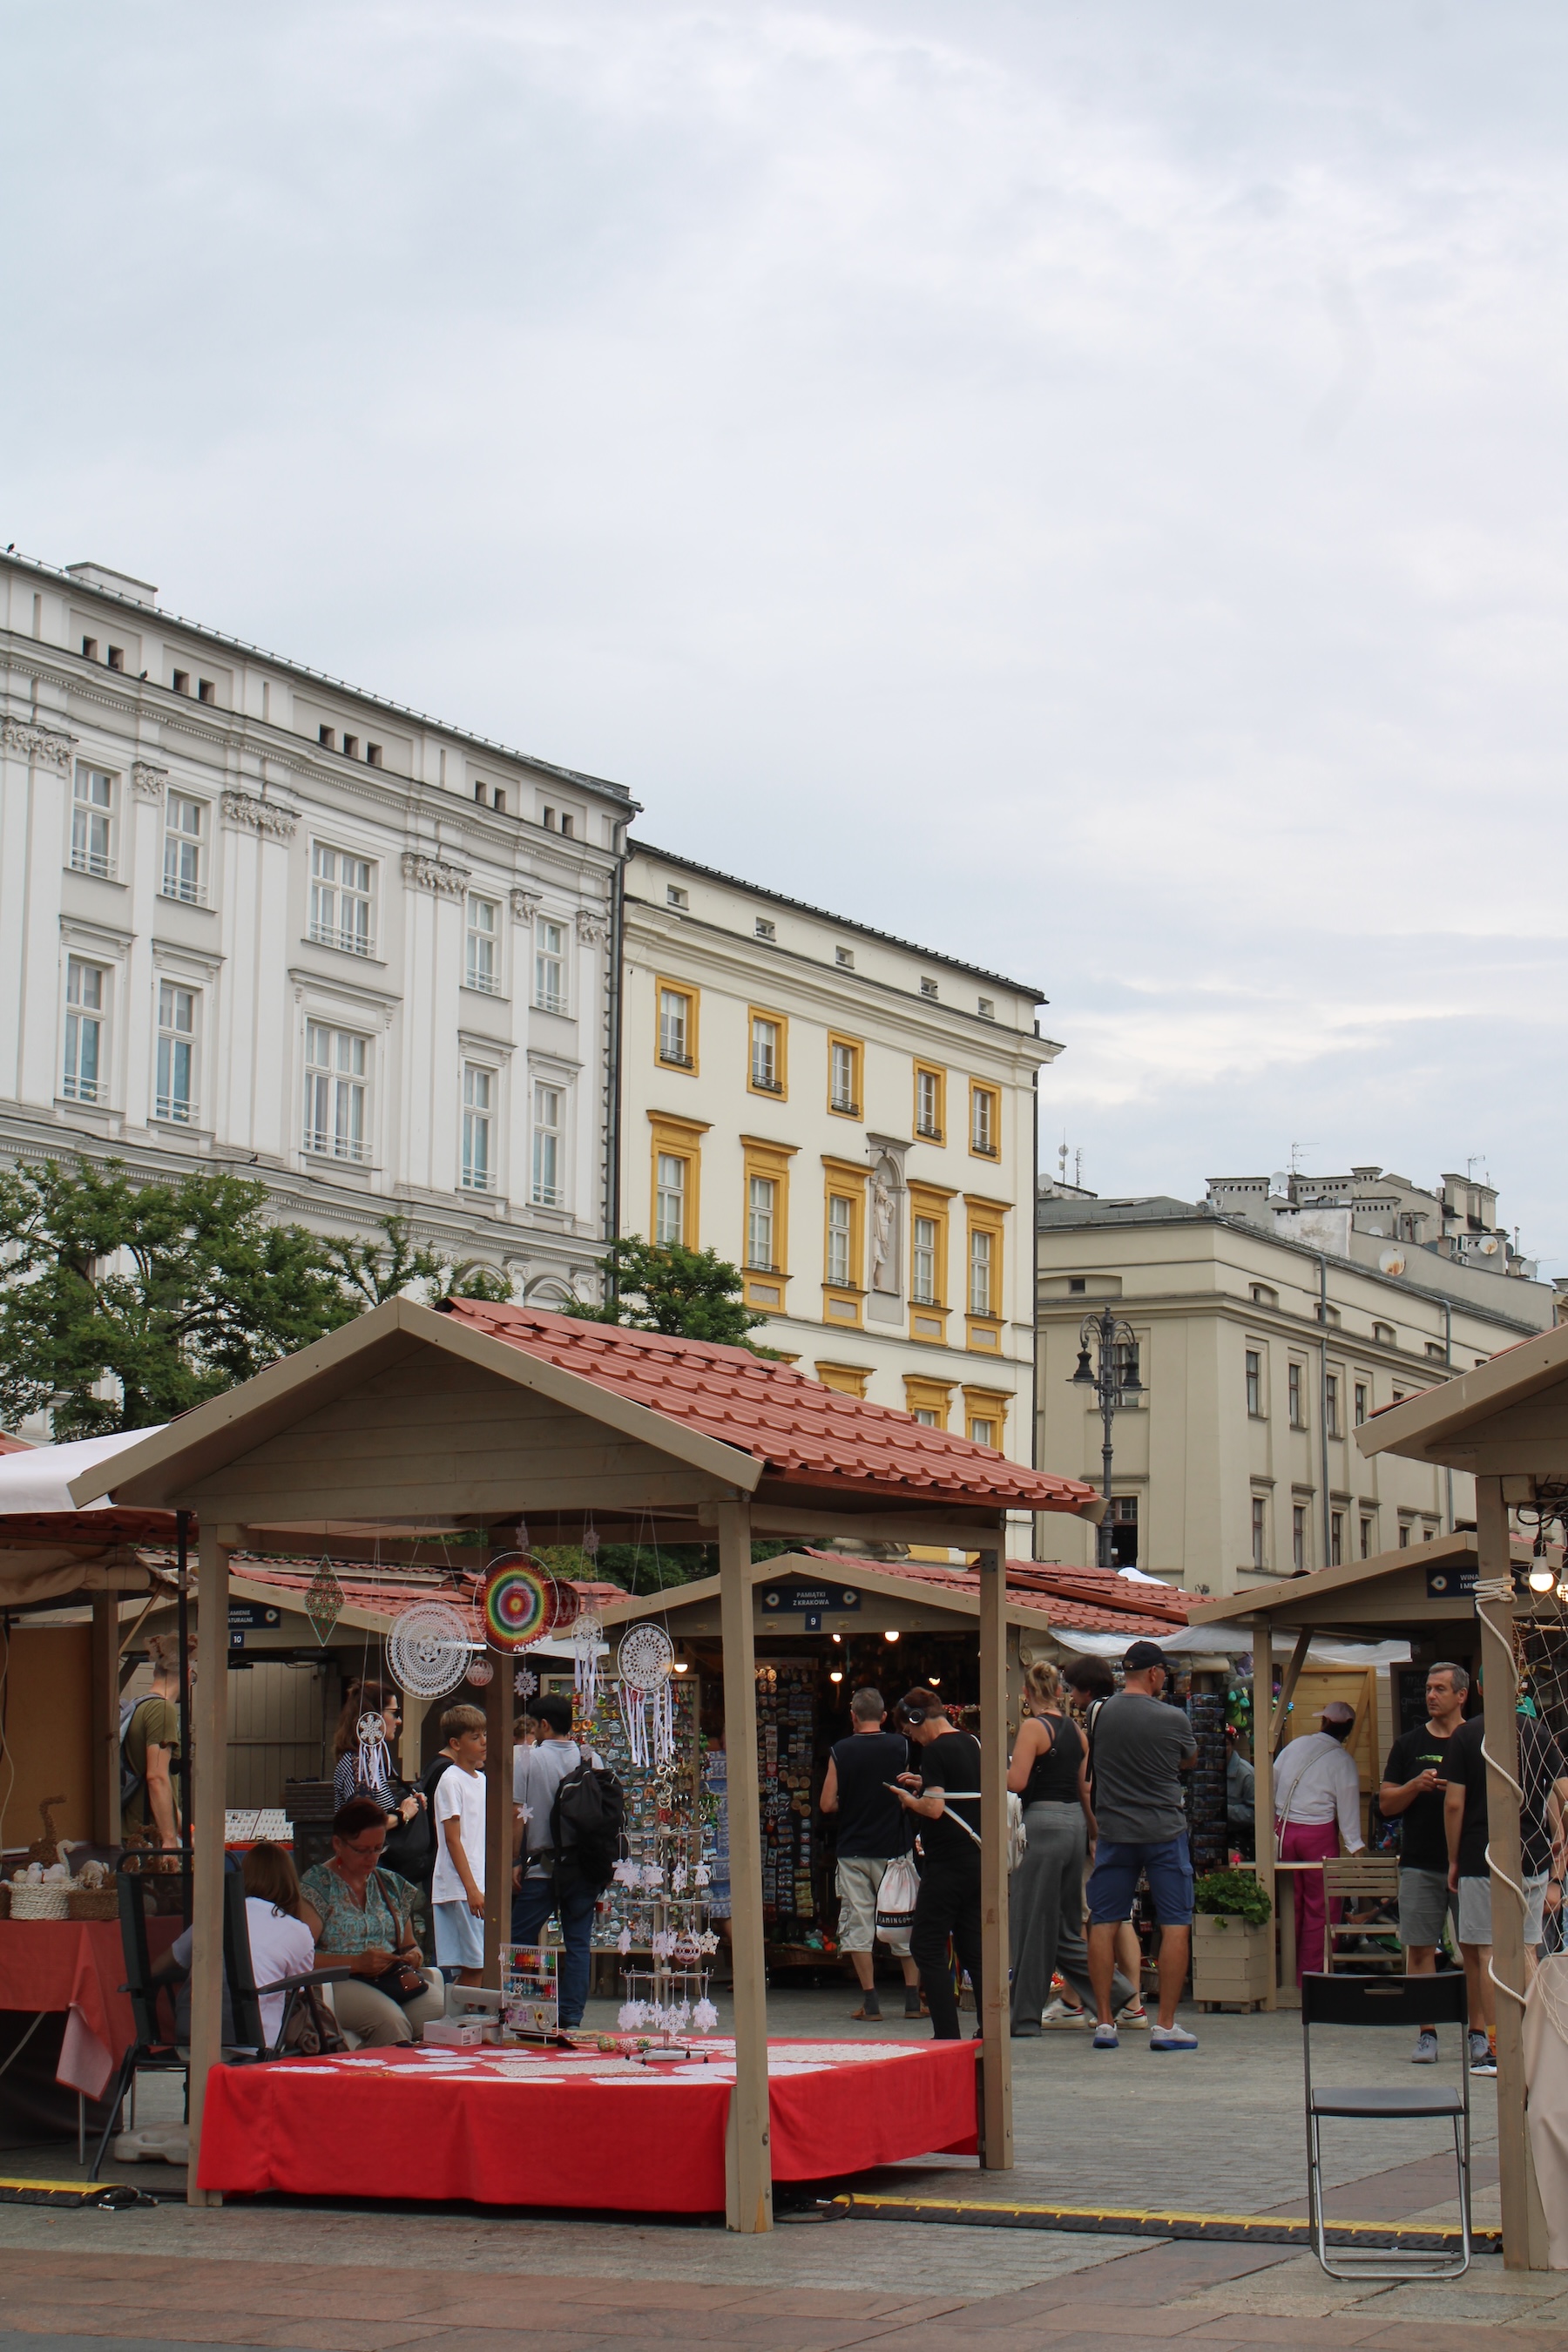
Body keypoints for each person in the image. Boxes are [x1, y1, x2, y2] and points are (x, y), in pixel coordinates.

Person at [1009, 1661, 1136, 2035]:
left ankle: (1024, 2018)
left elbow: (1016, 1782)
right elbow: (1085, 1788)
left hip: (1043, 1824)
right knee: (1065, 1926)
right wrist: (1094, 1833)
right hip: (1074, 1827)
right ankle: (1117, 1991)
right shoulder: (1076, 1732)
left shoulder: (1034, 1728)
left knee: (1030, 1923)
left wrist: (984, 1769)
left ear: (1028, 1694)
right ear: (1060, 1692)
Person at [1085, 1640, 1200, 2052]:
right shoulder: (1173, 1717)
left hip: (1115, 1831)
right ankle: (1165, 2025)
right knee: (1175, 1923)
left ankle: (1103, 2022)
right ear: (1153, 1674)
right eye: (1163, 1673)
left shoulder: (1099, 1713)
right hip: (1164, 1831)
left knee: (1104, 1921)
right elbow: (1189, 1760)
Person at [1443, 1698, 1568, 2073]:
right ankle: (1532, 2041)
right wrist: (1559, 1848)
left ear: (1480, 1687)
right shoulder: (1540, 1734)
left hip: (1481, 1854)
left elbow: (1453, 1804)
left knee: (1486, 1953)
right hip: (1532, 1854)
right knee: (1528, 1950)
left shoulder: (1466, 1735)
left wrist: (1453, 1857)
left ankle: (1496, 2048)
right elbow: (1563, 1795)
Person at [299, 1796, 444, 2045]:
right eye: (362, 1850)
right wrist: (356, 1963)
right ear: (338, 1844)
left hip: (390, 1978)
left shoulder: (390, 1884)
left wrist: (413, 1956)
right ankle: (385, 2082)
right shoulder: (317, 1886)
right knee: (390, 2022)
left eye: (378, 1849)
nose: (372, 1858)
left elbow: (409, 1945)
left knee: (442, 2016)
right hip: (338, 1983)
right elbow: (300, 1959)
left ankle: (432, 2080)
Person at [1379, 1662, 1467, 2061]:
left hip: (1469, 1864)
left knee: (1478, 1951)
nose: (1431, 1695)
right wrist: (1415, 1785)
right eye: (1429, 1688)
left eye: (1440, 1689)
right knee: (1419, 1948)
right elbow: (1385, 1803)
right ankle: (1426, 2031)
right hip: (1418, 1863)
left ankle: (1479, 2032)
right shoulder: (1408, 1744)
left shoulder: (1474, 1741)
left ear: (1461, 1695)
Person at [820, 1686, 923, 2022]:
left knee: (859, 1924)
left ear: (852, 1716)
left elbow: (826, 1803)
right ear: (882, 1716)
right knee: (904, 1919)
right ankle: (911, 2000)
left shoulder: (841, 1750)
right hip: (895, 1847)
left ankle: (871, 2001)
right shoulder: (902, 1745)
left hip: (854, 1850)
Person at [152, 1842, 317, 2050]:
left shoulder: (214, 1917)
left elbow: (163, 1963)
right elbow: (298, 1992)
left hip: (191, 2036)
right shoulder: (297, 1931)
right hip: (251, 2044)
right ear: (290, 1880)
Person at [890, 1689, 983, 2040]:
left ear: (917, 1719)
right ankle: (988, 2027)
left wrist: (909, 1799)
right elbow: (959, 1790)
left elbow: (933, 1808)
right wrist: (925, 1784)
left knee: (926, 1945)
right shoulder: (972, 1743)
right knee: (972, 1946)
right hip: (975, 1859)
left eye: (910, 1731)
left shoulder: (935, 1750)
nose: (913, 1738)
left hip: (946, 1864)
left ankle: (946, 2032)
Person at [1062, 1654, 1146, 2022]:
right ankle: (1132, 2003)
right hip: (1131, 1823)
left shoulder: (1096, 1718)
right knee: (1120, 1917)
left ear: (1087, 1689)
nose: (1071, 1696)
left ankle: (1084, 2003)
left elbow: (1087, 1784)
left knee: (1094, 1916)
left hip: (1105, 1828)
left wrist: (1095, 1831)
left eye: (1073, 1688)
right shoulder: (1127, 1715)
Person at [511, 1691, 601, 2029]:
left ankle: (529, 2012)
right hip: (584, 1866)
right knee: (578, 1943)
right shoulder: (593, 1759)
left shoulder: (527, 1758)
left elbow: (518, 1814)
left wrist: (513, 1861)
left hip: (543, 1866)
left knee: (521, 1937)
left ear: (544, 1725)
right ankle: (572, 2019)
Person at [1274, 1700, 1365, 1984]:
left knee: (1290, 1904)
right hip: (1319, 1835)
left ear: (1323, 1722)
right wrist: (1355, 1847)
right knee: (1321, 1908)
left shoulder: (1295, 1746)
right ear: (1348, 1731)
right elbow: (1348, 1809)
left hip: (1285, 1830)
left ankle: (1285, 1973)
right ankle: (1310, 1977)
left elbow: (1272, 1778)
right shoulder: (1343, 1761)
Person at [122, 1632, 196, 1849]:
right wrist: (170, 1841)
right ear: (188, 1673)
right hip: (146, 1839)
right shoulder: (162, 1710)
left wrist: (188, 1830)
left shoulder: (140, 1706)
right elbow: (156, 1778)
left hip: (137, 1835)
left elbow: (163, 1789)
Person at [431, 1707, 490, 1986]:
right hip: (462, 1884)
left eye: (484, 1735)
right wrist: (471, 1889)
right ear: (456, 1743)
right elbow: (453, 1839)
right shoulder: (451, 1780)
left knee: (480, 1963)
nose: (484, 1742)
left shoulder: (482, 1780)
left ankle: (465, 2024)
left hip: (477, 1881)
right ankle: (460, 2025)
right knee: (475, 1966)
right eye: (475, 1737)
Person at [332, 1679, 425, 1838]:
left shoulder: (371, 1761)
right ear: (375, 1716)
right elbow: (362, 1825)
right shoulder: (358, 1764)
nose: (399, 1721)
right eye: (395, 1712)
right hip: (361, 1860)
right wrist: (403, 1815)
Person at [1225, 1727, 1255, 1858]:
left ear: (1232, 1745)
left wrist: (1226, 1811)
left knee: (1226, 1861)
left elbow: (1257, 1814)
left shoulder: (1246, 1773)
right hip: (1210, 1834)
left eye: (1225, 1744)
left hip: (1242, 1835)